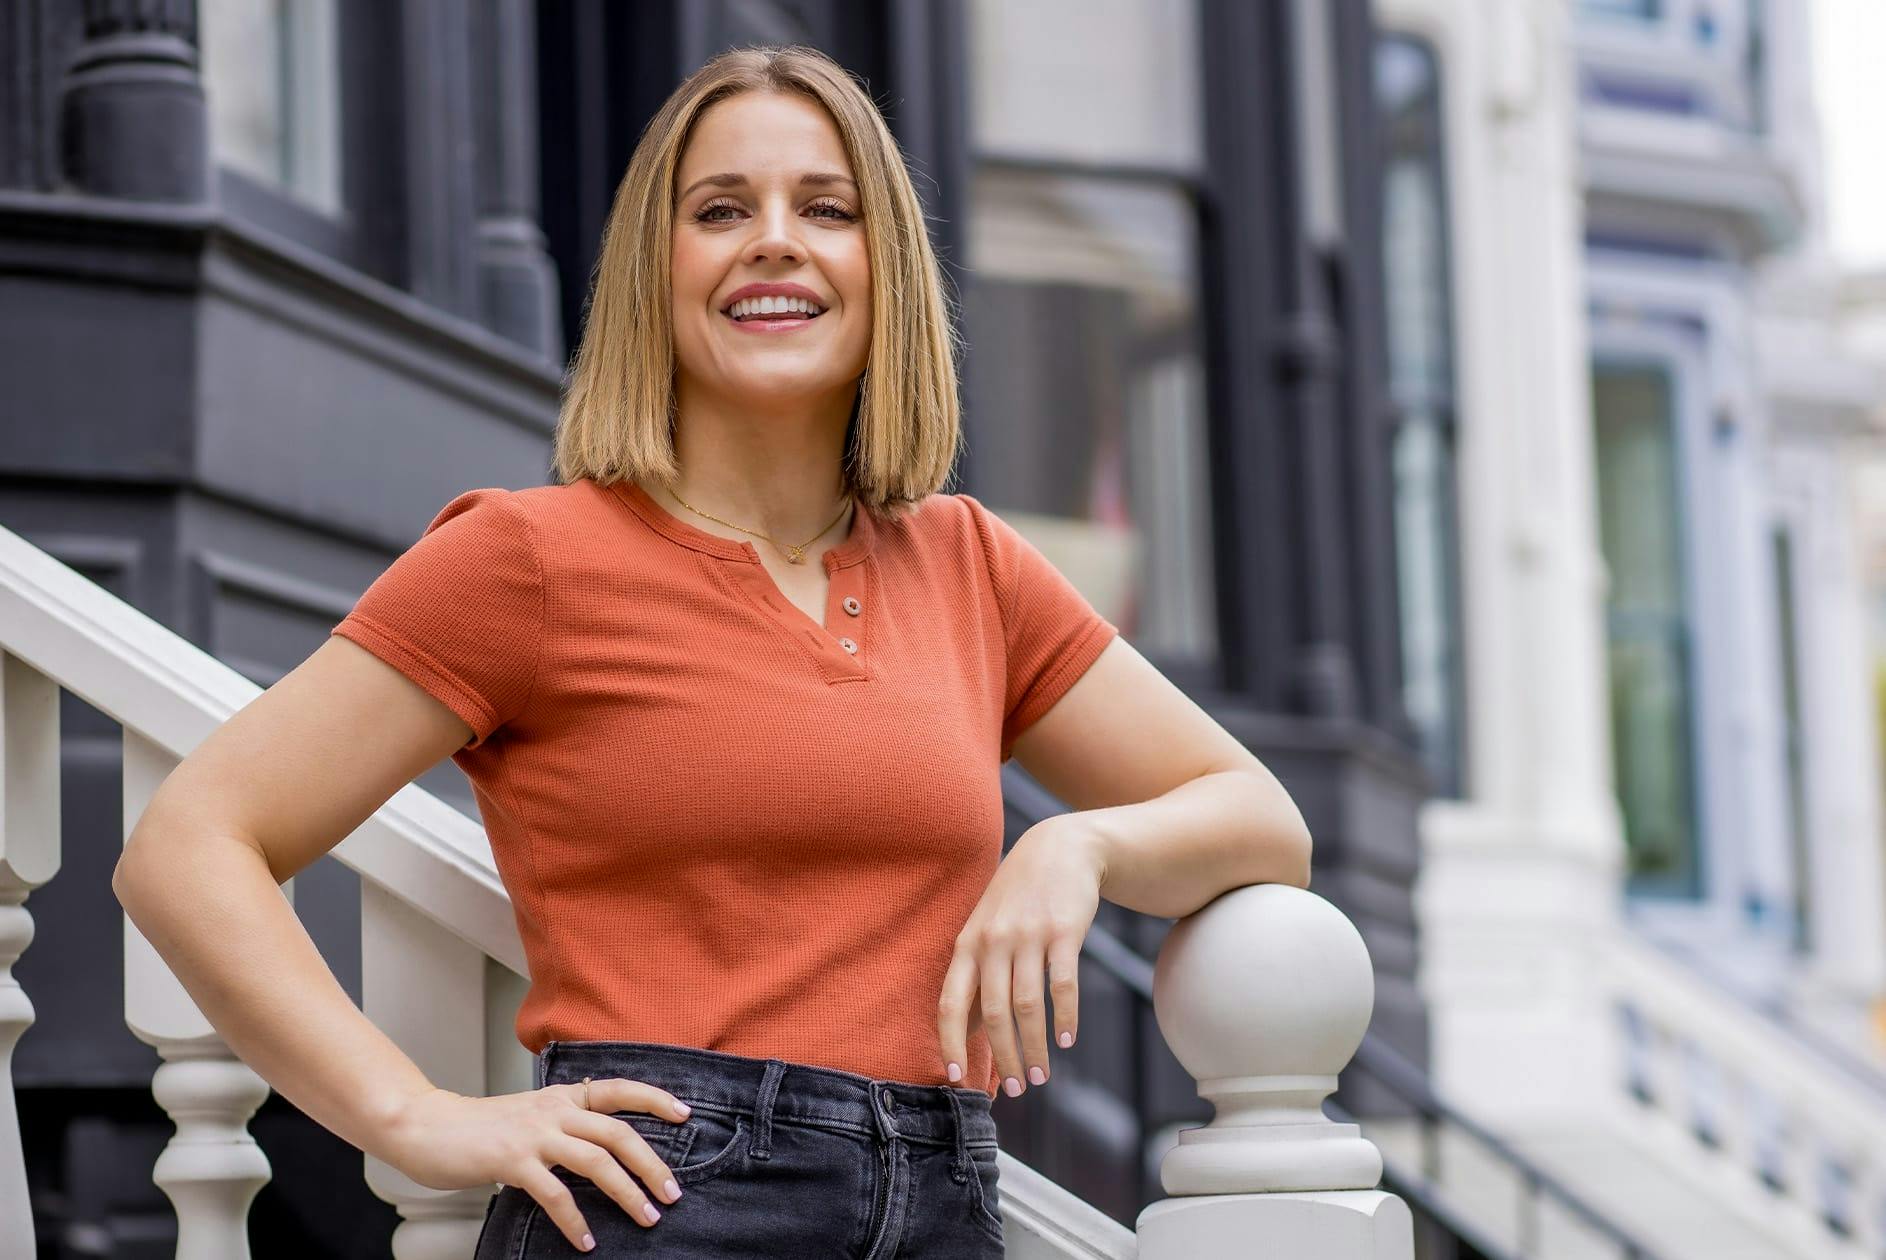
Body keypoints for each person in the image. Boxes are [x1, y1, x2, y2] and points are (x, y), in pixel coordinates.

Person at [112, 43, 1314, 1258]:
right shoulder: (528, 558)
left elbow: (1260, 821)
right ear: (658, 271)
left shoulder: (968, 563)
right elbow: (188, 845)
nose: (775, 239)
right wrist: (408, 1118)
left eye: (826, 209)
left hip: (945, 1200)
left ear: (881, 266)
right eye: (721, 209)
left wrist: (1078, 842)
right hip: (664, 1203)